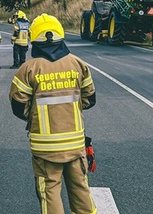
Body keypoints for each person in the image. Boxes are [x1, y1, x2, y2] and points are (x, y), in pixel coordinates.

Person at [8, 13, 97, 214]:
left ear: (34, 38)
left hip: (45, 146)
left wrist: (36, 116)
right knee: (80, 188)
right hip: (75, 143)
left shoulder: (28, 68)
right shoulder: (78, 64)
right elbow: (90, 99)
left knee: (49, 191)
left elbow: (18, 106)